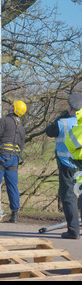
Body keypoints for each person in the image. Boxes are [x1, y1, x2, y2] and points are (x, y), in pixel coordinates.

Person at [46, 92, 82, 239]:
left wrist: (61, 116)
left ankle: (73, 230)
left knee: (69, 197)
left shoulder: (63, 123)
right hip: (80, 166)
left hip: (68, 166)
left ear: (70, 108)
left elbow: (49, 131)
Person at [63, 94, 82, 239]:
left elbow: (71, 143)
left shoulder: (78, 128)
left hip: (78, 166)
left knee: (77, 196)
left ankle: (73, 231)